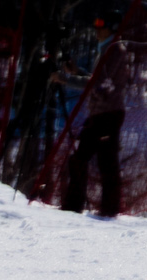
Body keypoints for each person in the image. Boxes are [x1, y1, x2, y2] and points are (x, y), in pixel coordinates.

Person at [60, 22, 130, 216]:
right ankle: (74, 206)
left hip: (109, 113)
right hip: (100, 113)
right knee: (80, 158)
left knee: (106, 161)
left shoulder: (115, 51)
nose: (96, 31)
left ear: (111, 29)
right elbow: (97, 79)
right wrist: (77, 73)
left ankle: (108, 210)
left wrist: (66, 79)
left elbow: (99, 83)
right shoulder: (106, 49)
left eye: (101, 27)